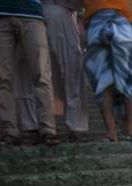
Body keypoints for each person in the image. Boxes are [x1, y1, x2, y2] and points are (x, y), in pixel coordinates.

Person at [0, 0, 59, 146]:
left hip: (31, 13)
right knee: (2, 78)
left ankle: (48, 129)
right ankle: (9, 132)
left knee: (41, 75)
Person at [82, 0, 132, 142]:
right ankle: (112, 132)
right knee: (103, 78)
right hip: (95, 19)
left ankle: (131, 131)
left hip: (121, 16)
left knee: (127, 76)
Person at [42, 0, 88, 141]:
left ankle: (41, 125)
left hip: (41, 14)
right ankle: (75, 126)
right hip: (59, 12)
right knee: (71, 70)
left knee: (44, 72)